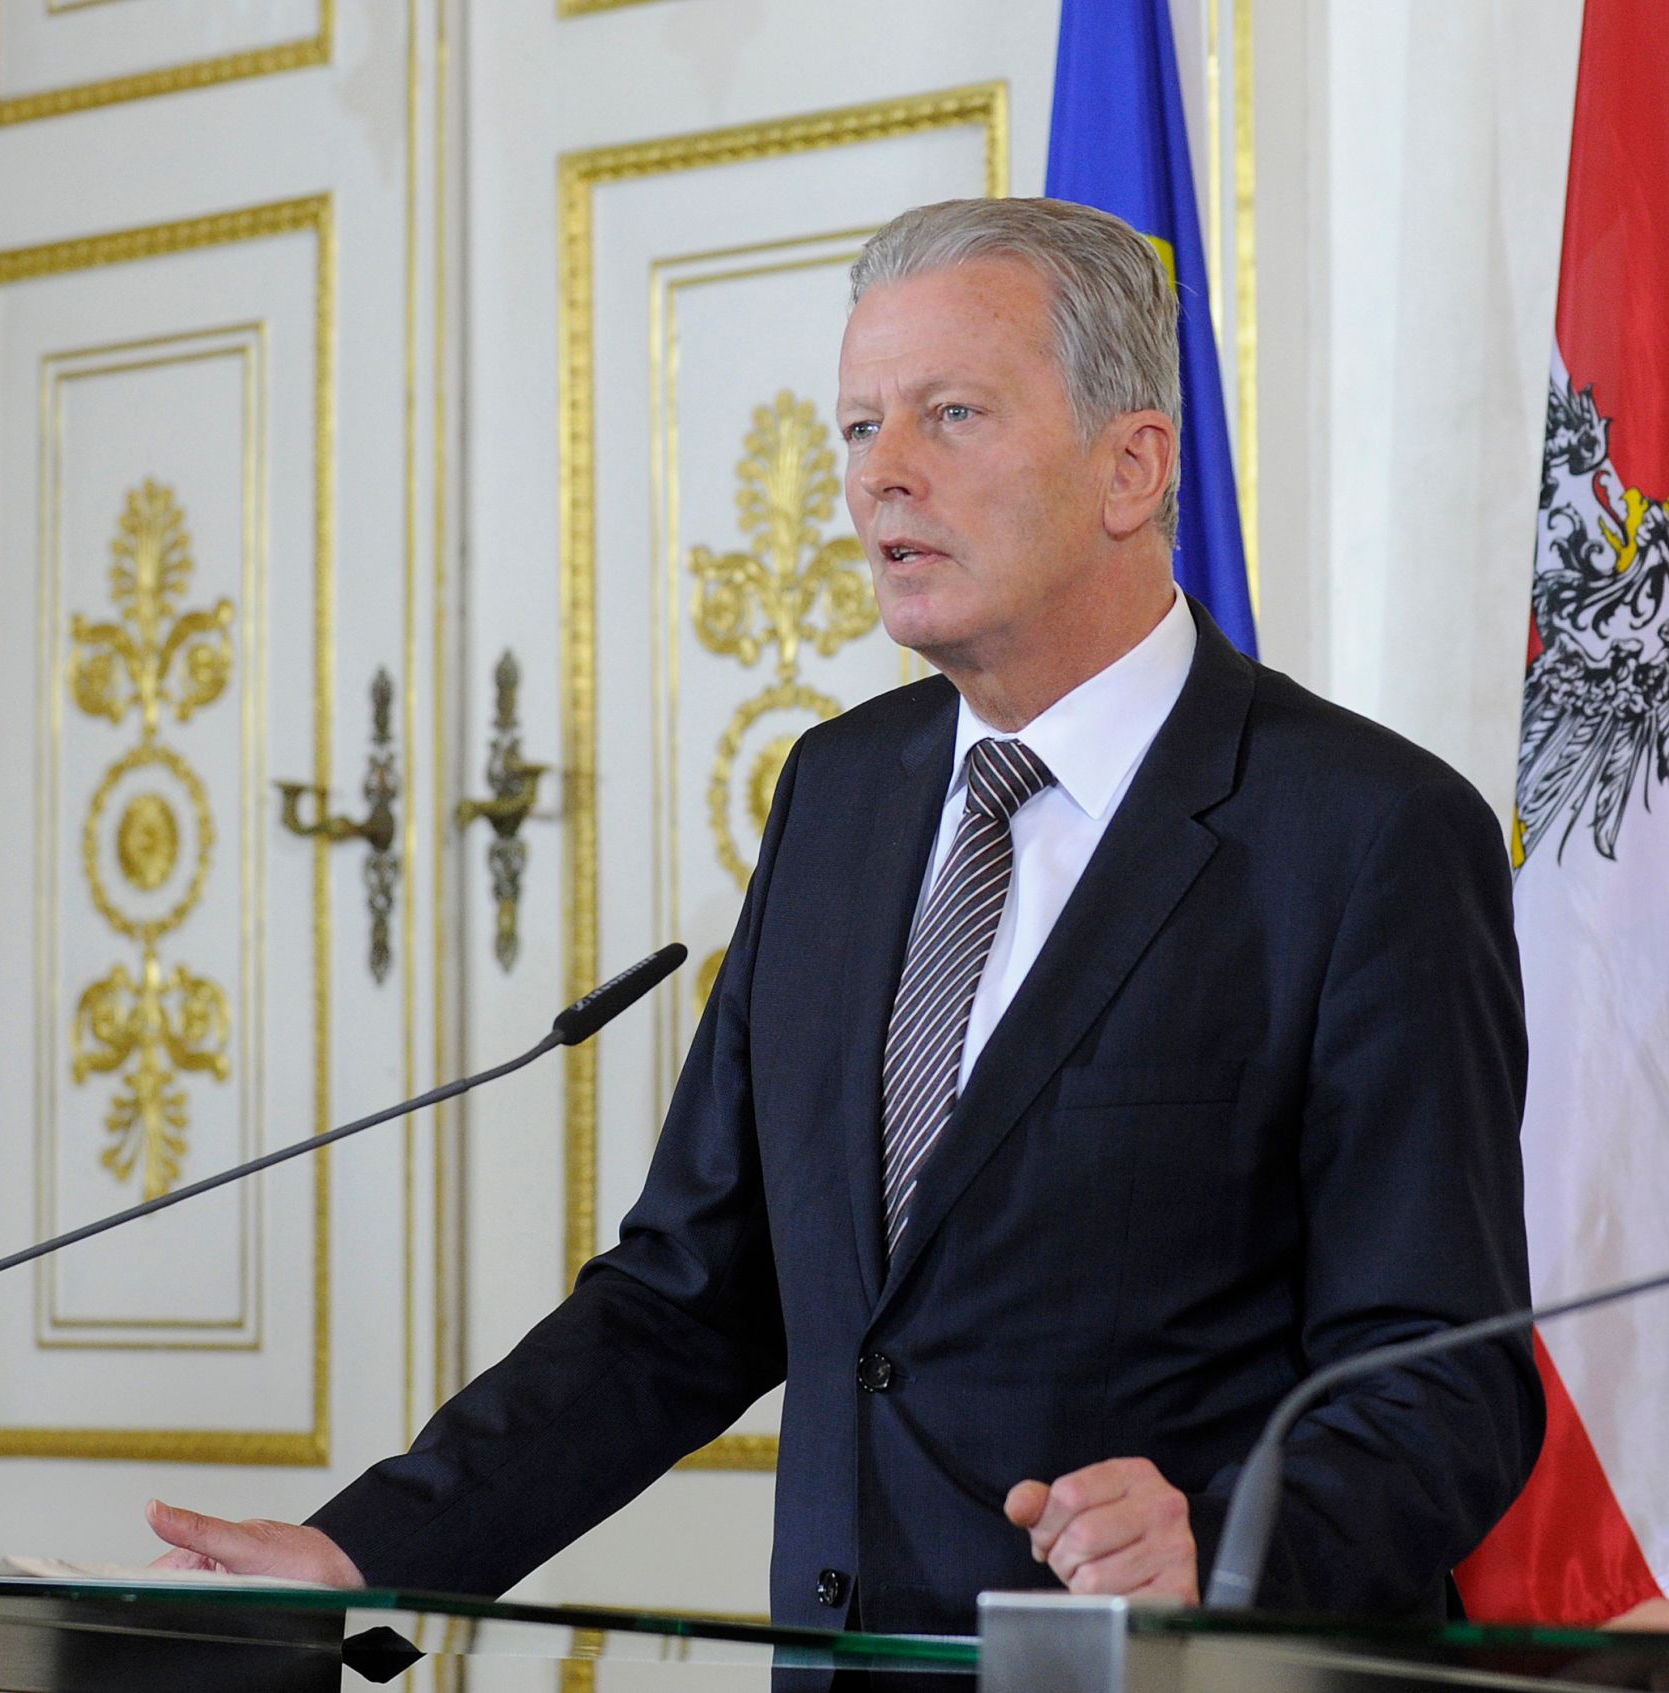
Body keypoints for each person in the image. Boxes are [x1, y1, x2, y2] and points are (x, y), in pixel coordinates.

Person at [149, 198, 1544, 1632]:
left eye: (950, 415)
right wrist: (370, 1545)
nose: (884, 478)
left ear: (1132, 466)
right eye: (859, 429)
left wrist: (1238, 1541)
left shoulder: (1365, 833)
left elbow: (1449, 1372)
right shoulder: (839, 793)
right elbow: (690, 1293)